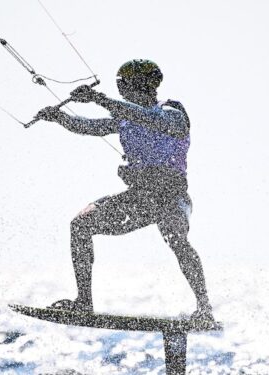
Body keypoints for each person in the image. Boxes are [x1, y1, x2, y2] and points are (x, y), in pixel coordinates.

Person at [33, 59, 213, 321]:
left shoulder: (173, 113)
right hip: (140, 198)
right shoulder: (124, 117)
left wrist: (98, 98)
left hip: (171, 197)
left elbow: (147, 117)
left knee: (175, 235)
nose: (120, 91)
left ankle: (204, 308)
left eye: (122, 86)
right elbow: (89, 127)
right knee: (81, 225)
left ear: (137, 85)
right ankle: (83, 302)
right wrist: (59, 117)